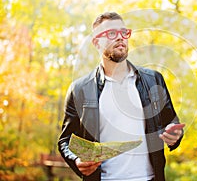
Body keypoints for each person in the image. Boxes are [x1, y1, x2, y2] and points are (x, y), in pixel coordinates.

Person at [58, 12, 184, 181]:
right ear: (96, 43)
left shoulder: (153, 79)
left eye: (123, 32)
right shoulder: (80, 89)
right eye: (111, 33)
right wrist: (76, 160)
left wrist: (175, 134)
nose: (120, 38)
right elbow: (65, 140)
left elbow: (172, 122)